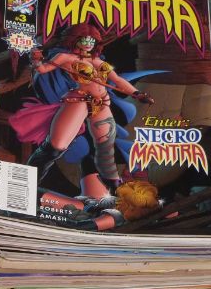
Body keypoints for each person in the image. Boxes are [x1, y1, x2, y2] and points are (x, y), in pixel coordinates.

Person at [25, 24, 153, 208]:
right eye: (85, 39)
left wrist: (137, 93)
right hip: (80, 101)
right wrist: (36, 60)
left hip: (102, 103)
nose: (88, 43)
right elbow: (43, 70)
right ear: (75, 39)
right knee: (57, 145)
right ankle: (28, 180)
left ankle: (114, 187)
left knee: (106, 147)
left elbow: (117, 80)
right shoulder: (65, 57)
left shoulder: (97, 61)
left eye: (92, 40)